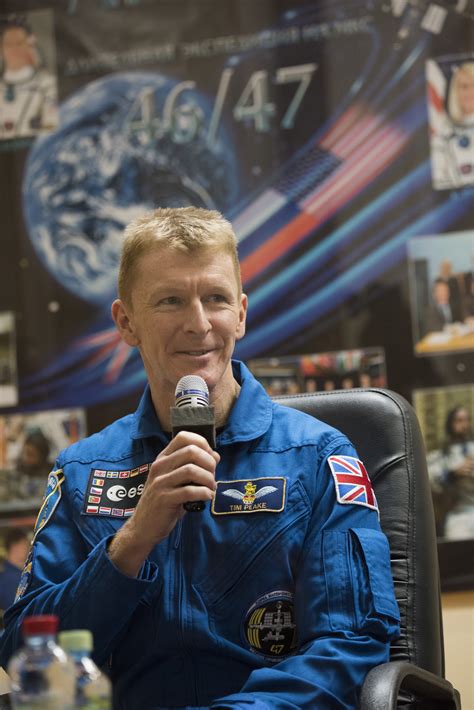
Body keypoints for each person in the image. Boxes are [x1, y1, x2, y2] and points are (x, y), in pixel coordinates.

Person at [0, 207, 400, 709]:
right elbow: (26, 651)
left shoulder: (319, 457)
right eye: (170, 300)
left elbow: (351, 644)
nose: (198, 324)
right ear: (126, 322)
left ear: (241, 314)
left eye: (215, 298)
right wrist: (130, 544)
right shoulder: (82, 472)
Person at [0, 14, 58, 140]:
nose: (14, 49)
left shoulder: (47, 84)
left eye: (19, 43)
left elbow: (50, 128)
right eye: (8, 44)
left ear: (29, 45)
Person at [429, 405, 474, 541]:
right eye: (459, 420)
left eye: (467, 420)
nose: (464, 425)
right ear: (450, 424)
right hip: (458, 514)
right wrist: (453, 474)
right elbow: (432, 482)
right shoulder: (441, 455)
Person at [430, 61, 474, 190]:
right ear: (456, 93)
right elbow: (439, 181)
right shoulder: (443, 136)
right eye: (464, 87)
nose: (471, 92)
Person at [0, 529, 29, 627]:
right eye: (25, 544)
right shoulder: (11, 578)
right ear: (15, 546)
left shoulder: (14, 573)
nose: (28, 548)